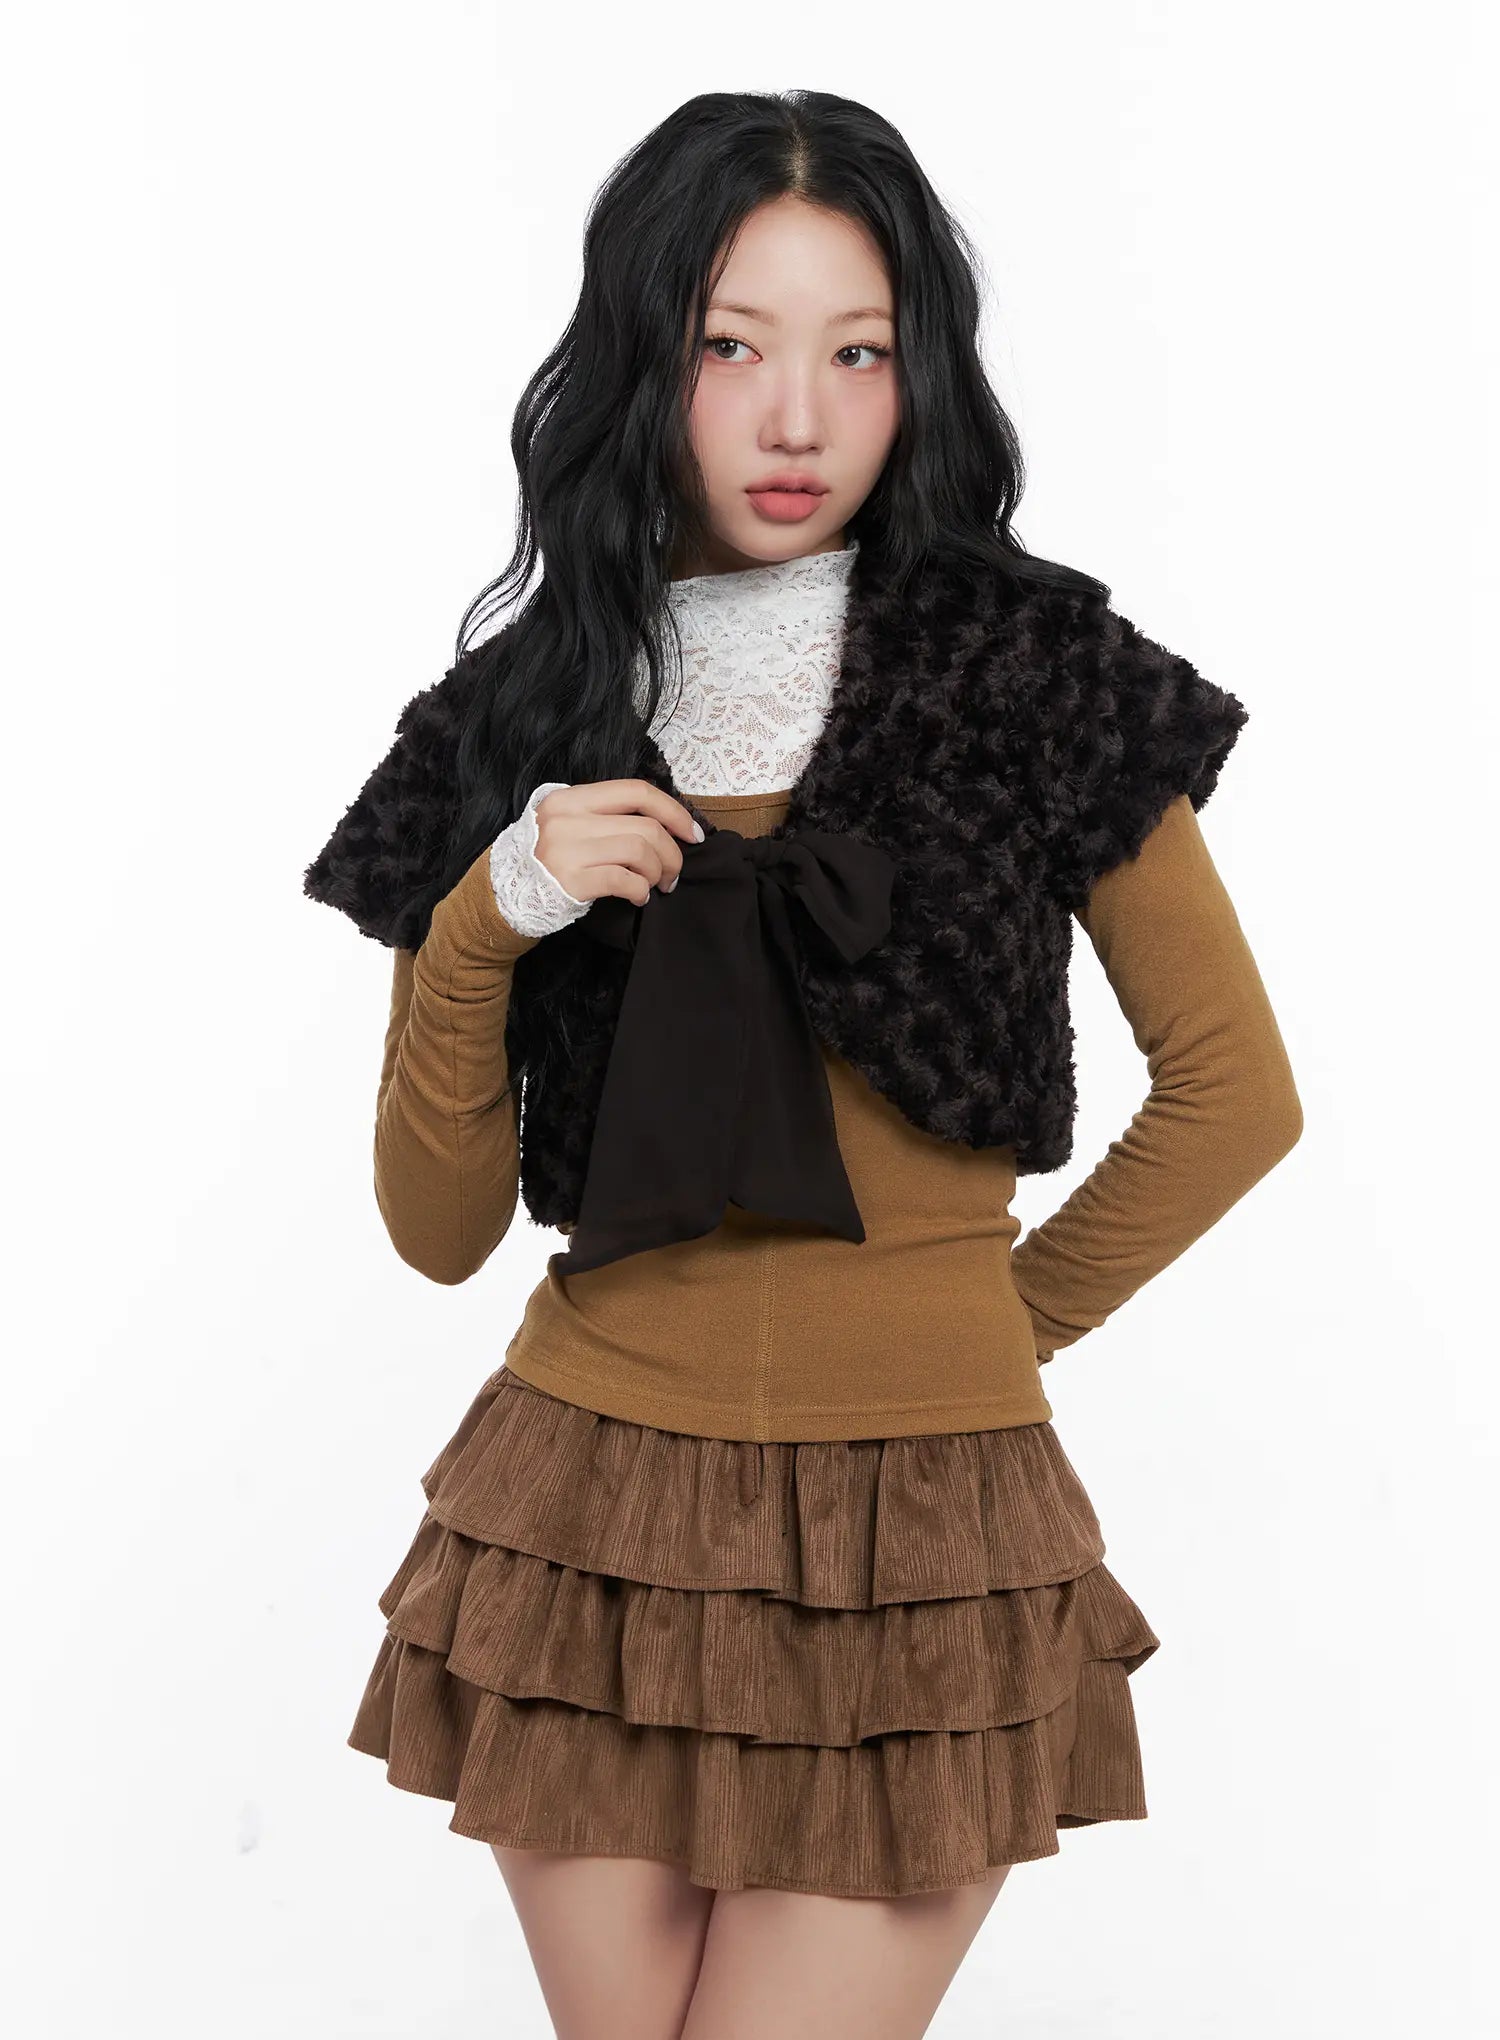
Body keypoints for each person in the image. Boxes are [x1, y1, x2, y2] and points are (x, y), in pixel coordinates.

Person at [304, 90, 1302, 2040]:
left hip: (925, 1524)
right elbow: (436, 1232)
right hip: (583, 1510)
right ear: (642, 356)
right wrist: (491, 911)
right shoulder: (517, 714)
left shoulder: (1032, 670)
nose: (796, 419)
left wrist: (988, 1325)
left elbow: (1232, 1093)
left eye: (858, 354)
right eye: (731, 347)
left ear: (921, 374)